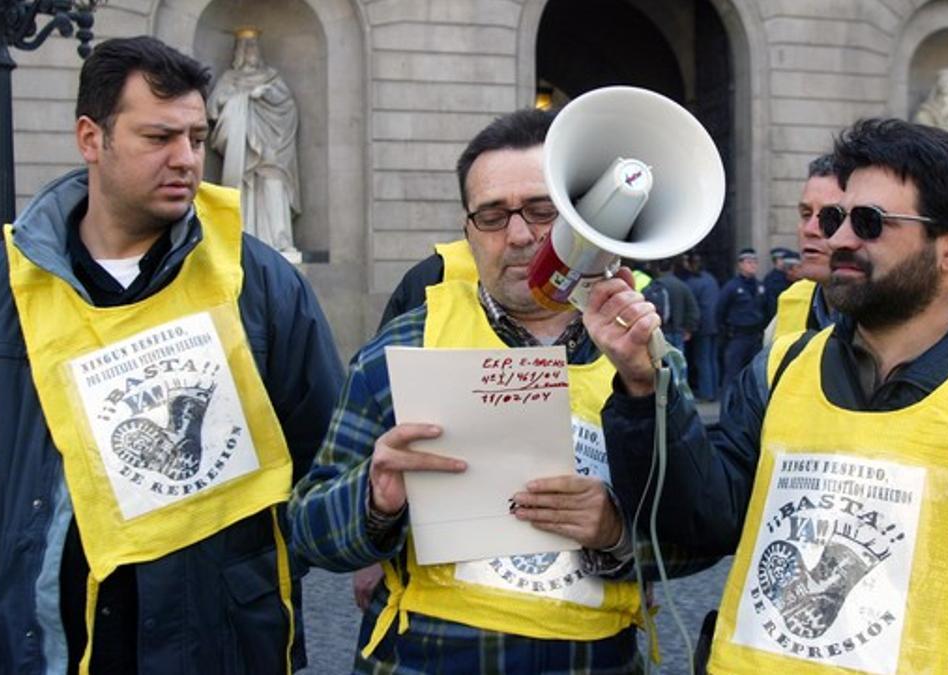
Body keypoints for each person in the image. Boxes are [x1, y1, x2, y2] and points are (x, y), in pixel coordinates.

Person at [604, 118, 948, 672]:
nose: (839, 239)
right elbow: (700, 520)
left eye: (870, 222)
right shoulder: (782, 368)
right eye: (834, 218)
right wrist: (642, 388)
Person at [0, 36, 345, 673]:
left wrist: (242, 573)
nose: (186, 159)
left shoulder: (260, 284)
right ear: (91, 139)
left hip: (216, 639)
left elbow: (322, 446)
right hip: (37, 638)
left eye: (197, 137)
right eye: (159, 138)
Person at [288, 108, 702, 671]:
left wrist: (616, 534)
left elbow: (700, 533)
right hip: (423, 659)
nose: (518, 235)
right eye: (491, 215)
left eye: (540, 210)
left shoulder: (646, 358)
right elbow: (309, 532)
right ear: (468, 231)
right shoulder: (405, 346)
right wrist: (375, 497)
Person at [208, 27, 301, 253]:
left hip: (271, 147)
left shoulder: (272, 76)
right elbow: (212, 108)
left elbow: (288, 106)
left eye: (254, 46)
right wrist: (244, 97)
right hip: (241, 150)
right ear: (239, 51)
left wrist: (266, 94)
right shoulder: (230, 78)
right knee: (240, 191)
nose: (252, 51)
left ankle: (280, 241)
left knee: (274, 186)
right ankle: (241, 238)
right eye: (247, 46)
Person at [771, 154, 843, 339]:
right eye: (805, 214)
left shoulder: (891, 318)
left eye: (831, 216)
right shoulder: (790, 302)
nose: (810, 230)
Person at [715, 248, 765, 391]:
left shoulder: (759, 286)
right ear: (740, 265)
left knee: (754, 375)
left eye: (755, 262)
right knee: (733, 374)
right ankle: (729, 407)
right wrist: (725, 332)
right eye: (749, 262)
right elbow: (720, 310)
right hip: (737, 336)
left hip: (755, 336)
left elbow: (766, 309)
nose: (753, 265)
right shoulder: (732, 287)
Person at [680, 252, 721, 401]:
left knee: (702, 360)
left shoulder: (693, 282)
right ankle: (714, 391)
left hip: (702, 325)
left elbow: (691, 305)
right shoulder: (710, 279)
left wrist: (689, 326)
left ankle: (706, 393)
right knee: (712, 359)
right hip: (715, 323)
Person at [650, 256, 701, 355]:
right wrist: (689, 328)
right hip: (678, 331)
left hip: (660, 332)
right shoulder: (682, 286)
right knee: (678, 364)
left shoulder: (654, 285)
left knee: (662, 364)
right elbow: (693, 310)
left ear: (657, 269)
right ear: (672, 268)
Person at [760, 246, 794, 321]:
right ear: (776, 260)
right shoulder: (771, 278)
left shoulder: (790, 276)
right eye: (782, 259)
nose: (785, 261)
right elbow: (770, 303)